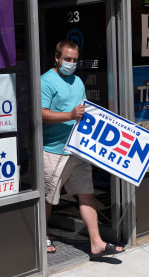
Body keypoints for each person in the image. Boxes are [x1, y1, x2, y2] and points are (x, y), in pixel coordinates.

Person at [41, 40, 124, 257]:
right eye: (67, 59)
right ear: (57, 58)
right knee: (48, 198)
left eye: (75, 60)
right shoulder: (46, 81)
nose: (71, 63)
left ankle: (96, 242)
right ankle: (44, 234)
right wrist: (69, 115)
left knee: (86, 194)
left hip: (77, 150)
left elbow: (84, 109)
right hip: (53, 151)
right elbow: (40, 112)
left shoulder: (78, 81)